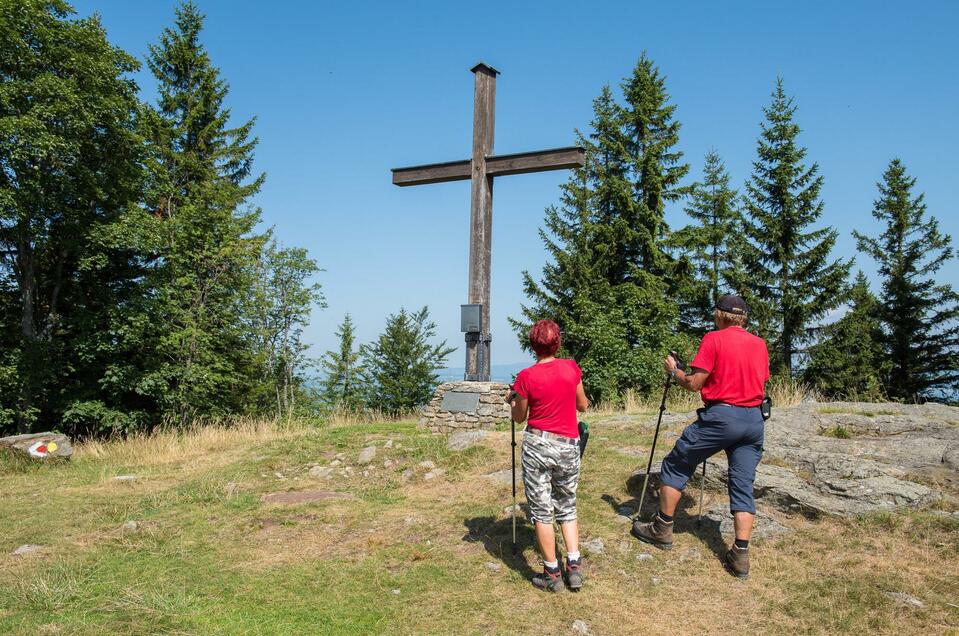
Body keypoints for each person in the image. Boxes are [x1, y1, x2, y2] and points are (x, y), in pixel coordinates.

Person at [631, 295, 770, 579]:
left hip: (721, 417)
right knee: (742, 483)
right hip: (754, 419)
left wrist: (675, 372)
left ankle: (662, 527)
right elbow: (758, 378)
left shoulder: (714, 339)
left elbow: (695, 383)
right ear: (743, 318)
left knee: (676, 464)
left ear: (719, 315)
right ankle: (740, 554)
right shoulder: (759, 344)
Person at [508, 319, 589, 592]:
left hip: (538, 445)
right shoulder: (571, 368)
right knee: (567, 504)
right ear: (558, 342)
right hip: (568, 444)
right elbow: (583, 405)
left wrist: (513, 401)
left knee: (542, 510)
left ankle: (552, 573)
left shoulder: (526, 377)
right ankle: (574, 566)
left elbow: (520, 418)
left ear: (533, 345)